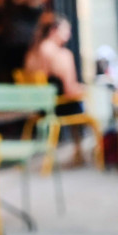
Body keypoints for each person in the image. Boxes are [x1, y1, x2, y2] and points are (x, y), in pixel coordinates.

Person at [22, 18, 88, 167]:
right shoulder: (62, 54)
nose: (69, 35)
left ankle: (79, 152)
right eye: (66, 30)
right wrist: (86, 90)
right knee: (81, 104)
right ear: (53, 31)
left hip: (38, 106)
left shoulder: (32, 52)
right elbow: (69, 90)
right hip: (56, 107)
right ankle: (80, 151)